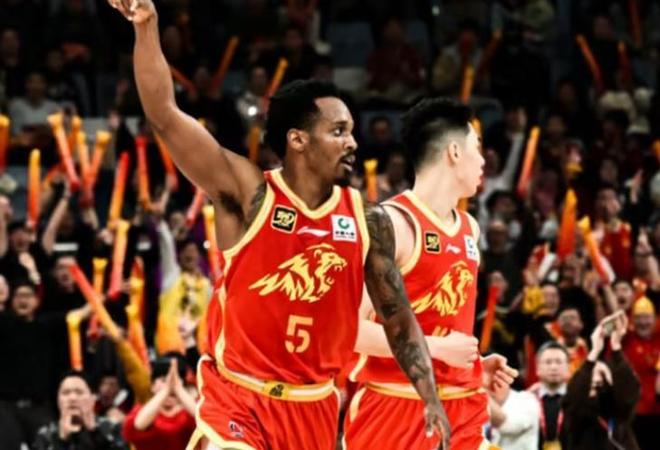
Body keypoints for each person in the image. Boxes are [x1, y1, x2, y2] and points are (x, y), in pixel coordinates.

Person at [108, 2, 448, 449]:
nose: (352, 142)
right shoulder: (249, 193)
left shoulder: (368, 220)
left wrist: (430, 395)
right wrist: (147, 26)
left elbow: (398, 318)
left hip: (314, 407)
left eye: (351, 131)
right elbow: (165, 115)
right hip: (238, 398)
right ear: (298, 139)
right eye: (338, 131)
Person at [347, 98, 517, 449]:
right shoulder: (393, 224)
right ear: (454, 152)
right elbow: (349, 330)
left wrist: (471, 365)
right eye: (477, 148)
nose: (483, 161)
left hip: (462, 406)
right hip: (395, 408)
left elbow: (444, 321)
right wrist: (439, 349)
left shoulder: (470, 228)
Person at [563, 312, 641, 450]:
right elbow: (573, 398)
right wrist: (594, 352)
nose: (597, 379)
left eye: (602, 375)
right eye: (592, 375)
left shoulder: (620, 414)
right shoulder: (577, 416)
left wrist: (616, 347)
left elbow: (629, 391)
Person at [33, 371, 127, 450]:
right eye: (66, 393)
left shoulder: (111, 427)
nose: (72, 398)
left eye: (79, 392)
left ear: (93, 398)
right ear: (58, 400)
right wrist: (62, 440)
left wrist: (94, 433)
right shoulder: (46, 434)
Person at [122, 357, 197, 450]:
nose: (171, 384)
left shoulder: (190, 410)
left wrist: (178, 388)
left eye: (175, 380)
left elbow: (204, 420)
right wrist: (166, 390)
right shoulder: (143, 409)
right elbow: (138, 425)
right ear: (152, 386)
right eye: (163, 380)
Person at [622, 297, 660, 450]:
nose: (643, 322)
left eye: (647, 317)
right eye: (638, 317)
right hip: (633, 412)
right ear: (632, 320)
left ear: (655, 319)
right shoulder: (626, 340)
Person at [528, 341, 570, 449]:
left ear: (568, 367)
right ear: (537, 368)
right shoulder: (527, 399)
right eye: (548, 362)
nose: (553, 367)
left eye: (559, 362)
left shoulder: (577, 398)